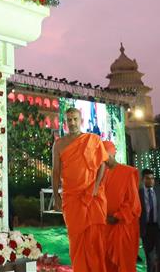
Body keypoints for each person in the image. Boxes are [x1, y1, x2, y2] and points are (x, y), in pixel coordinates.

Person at [52, 106, 109, 272]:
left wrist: (95, 188)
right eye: (69, 119)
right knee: (75, 240)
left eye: (75, 119)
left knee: (95, 240)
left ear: (81, 120)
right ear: (65, 122)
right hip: (72, 198)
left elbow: (102, 165)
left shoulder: (93, 139)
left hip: (93, 198)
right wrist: (56, 196)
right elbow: (56, 171)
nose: (72, 122)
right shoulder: (59, 144)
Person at [102, 140, 141, 272]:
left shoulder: (128, 172)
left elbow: (133, 203)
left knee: (124, 264)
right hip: (106, 227)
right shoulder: (103, 174)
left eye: (105, 156)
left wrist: (117, 216)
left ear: (112, 154)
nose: (104, 160)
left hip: (123, 227)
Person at [139, 168, 160, 272]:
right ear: (142, 179)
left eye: (152, 178)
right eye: (148, 178)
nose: (151, 181)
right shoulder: (138, 193)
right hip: (146, 229)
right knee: (150, 258)